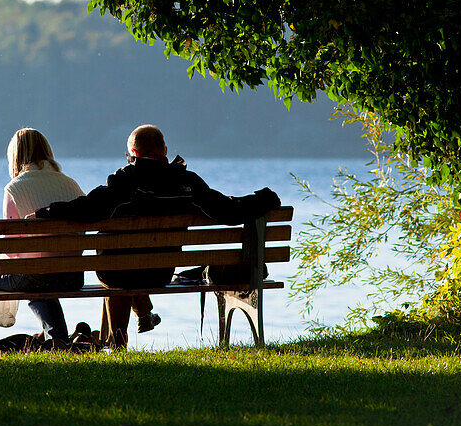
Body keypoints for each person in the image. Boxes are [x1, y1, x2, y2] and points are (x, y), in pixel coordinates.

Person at [33, 124, 279, 348]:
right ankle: (129, 327)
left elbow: (86, 209)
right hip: (159, 274)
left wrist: (47, 212)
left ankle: (118, 342)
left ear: (133, 154)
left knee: (115, 264)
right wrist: (265, 198)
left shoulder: (124, 182)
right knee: (121, 263)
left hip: (115, 272)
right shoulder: (187, 182)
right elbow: (228, 210)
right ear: (165, 151)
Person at [0, 128, 85, 345]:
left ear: (15, 157)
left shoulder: (15, 189)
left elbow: (12, 249)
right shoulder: (71, 184)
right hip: (72, 277)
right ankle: (59, 340)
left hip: (35, 277)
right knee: (40, 280)